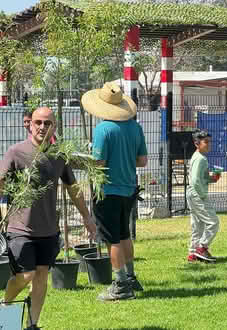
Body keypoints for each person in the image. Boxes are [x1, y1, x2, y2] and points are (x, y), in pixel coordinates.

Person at [0, 107, 96, 330]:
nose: (42, 127)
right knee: (25, 276)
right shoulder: (16, 152)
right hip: (20, 229)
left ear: (54, 126)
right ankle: (5, 309)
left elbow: (73, 188)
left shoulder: (59, 155)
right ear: (30, 124)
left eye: (47, 123)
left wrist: (87, 217)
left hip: (49, 231)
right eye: (38, 122)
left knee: (42, 276)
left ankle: (32, 324)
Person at [81, 82, 148, 301]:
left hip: (107, 191)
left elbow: (98, 163)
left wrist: (83, 160)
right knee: (124, 233)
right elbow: (142, 161)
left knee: (112, 239)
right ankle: (130, 277)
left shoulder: (103, 129)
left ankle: (120, 286)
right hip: (129, 189)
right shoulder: (135, 127)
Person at [186, 130, 221, 263]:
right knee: (213, 222)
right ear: (197, 143)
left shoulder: (198, 157)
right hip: (197, 194)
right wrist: (202, 195)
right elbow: (195, 180)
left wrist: (213, 178)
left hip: (193, 193)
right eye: (205, 142)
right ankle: (202, 248)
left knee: (198, 225)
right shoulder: (200, 158)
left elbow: (202, 177)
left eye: (209, 141)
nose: (208, 144)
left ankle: (193, 254)